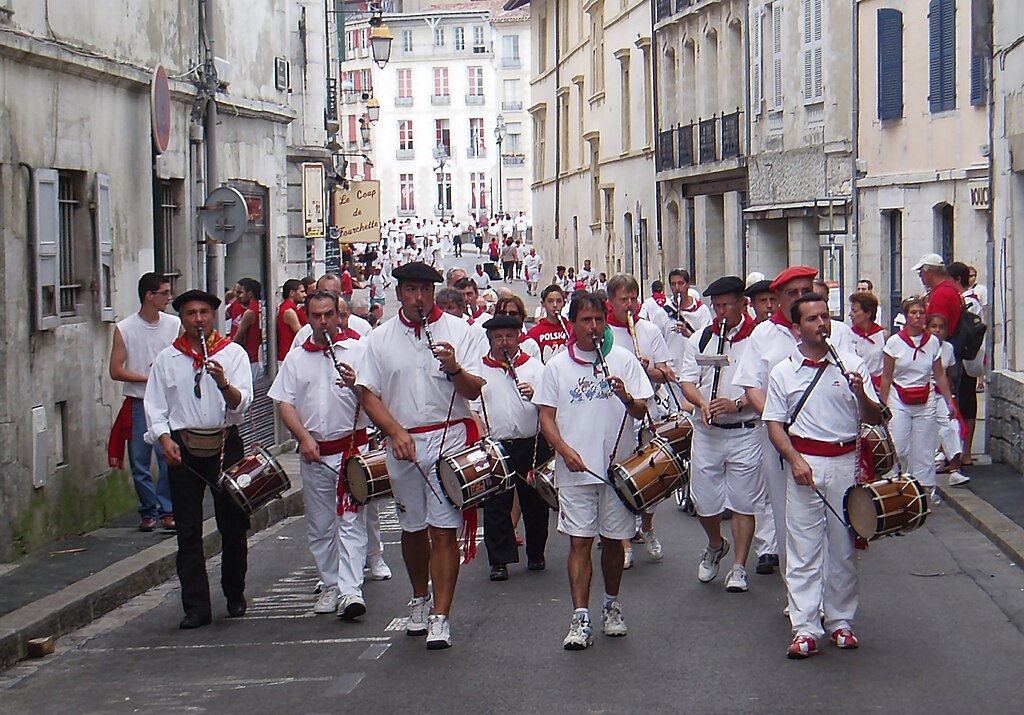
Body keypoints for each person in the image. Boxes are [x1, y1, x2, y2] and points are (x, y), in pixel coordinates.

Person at [356, 262, 485, 650]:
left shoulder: (462, 332)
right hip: (403, 441)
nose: (418, 298)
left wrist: (454, 367)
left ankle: (441, 616)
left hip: (450, 438)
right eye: (410, 290)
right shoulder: (379, 340)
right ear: (399, 293)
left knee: (444, 529)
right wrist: (394, 432)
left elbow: (474, 390)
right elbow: (366, 393)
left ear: (434, 292)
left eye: (425, 291)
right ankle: (419, 596)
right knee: (412, 529)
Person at [763, 293, 883, 659]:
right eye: (813, 319)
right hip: (806, 461)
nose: (822, 324)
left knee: (844, 547)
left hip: (846, 462)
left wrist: (860, 392)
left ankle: (841, 621)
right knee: (803, 548)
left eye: (825, 317)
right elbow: (774, 424)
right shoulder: (783, 372)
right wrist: (794, 460)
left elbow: (876, 418)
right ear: (797, 329)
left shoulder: (851, 363)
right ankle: (805, 627)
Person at [535, 293, 654, 651]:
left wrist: (626, 397)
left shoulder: (622, 359)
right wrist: (565, 451)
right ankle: (580, 616)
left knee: (615, 542)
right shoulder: (556, 367)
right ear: (573, 324)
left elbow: (640, 410)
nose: (593, 327)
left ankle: (611, 605)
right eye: (586, 321)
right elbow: (546, 417)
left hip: (618, 472)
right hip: (575, 472)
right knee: (579, 542)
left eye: (599, 320)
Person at [143, 290, 254, 629]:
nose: (198, 320)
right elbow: (156, 407)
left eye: (204, 313)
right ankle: (196, 606)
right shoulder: (167, 359)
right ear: (183, 319)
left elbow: (241, 405)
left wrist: (223, 383)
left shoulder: (233, 354)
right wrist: (164, 439)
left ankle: (234, 592)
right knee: (188, 530)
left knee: (233, 525)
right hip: (184, 448)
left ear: (213, 316)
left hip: (224, 443)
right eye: (191, 314)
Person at [270, 290, 375, 619]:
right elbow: (284, 402)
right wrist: (303, 438)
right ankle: (330, 584)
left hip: (352, 450)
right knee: (320, 524)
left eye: (329, 314)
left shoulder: (358, 351)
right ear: (308, 318)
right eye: (316, 316)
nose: (323, 321)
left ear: (338, 315)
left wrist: (357, 383)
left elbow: (376, 398)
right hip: (315, 453)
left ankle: (350, 590)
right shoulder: (297, 357)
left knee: (351, 522)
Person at [733, 265, 818, 577]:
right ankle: (795, 589)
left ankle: (824, 593)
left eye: (805, 290)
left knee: (827, 517)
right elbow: (751, 385)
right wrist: (777, 422)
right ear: (778, 298)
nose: (800, 298)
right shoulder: (763, 335)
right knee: (785, 515)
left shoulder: (831, 330)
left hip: (824, 438)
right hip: (778, 439)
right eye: (791, 293)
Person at [679, 276, 762, 593]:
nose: (722, 312)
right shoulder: (701, 339)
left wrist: (737, 403)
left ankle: (739, 566)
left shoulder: (758, 339)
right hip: (708, 431)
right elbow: (687, 380)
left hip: (745, 431)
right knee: (704, 503)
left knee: (743, 502)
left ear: (743, 304)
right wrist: (701, 402)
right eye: (717, 306)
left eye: (728, 305)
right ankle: (716, 544)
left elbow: (767, 384)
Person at [605, 274, 676, 566]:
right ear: (611, 302)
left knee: (652, 474)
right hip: (614, 414)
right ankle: (622, 541)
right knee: (617, 478)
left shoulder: (648, 330)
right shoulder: (604, 332)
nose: (630, 305)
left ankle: (647, 527)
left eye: (634, 298)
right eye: (624, 300)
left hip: (647, 410)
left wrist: (647, 369)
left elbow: (665, 373)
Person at [478, 315, 554, 580]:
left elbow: (551, 406)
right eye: (498, 338)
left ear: (519, 337)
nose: (504, 343)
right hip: (495, 445)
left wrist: (535, 394)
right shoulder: (479, 370)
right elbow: (474, 409)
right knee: (495, 503)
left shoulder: (534, 367)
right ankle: (499, 560)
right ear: (490, 340)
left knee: (535, 501)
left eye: (509, 337)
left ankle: (536, 554)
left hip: (531, 442)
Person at [108, 273, 180, 532]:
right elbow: (115, 370)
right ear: (150, 296)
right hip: (139, 401)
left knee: (167, 456)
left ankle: (167, 509)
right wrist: (148, 378)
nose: (168, 298)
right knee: (140, 460)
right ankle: (148, 510)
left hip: (167, 401)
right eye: (164, 293)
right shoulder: (126, 328)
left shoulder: (173, 324)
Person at [879, 297, 957, 501]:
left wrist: (949, 401)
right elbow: (887, 376)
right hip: (899, 397)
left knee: (924, 447)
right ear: (906, 317)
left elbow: (939, 374)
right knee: (899, 444)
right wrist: (882, 405)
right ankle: (894, 488)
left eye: (921, 312)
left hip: (925, 397)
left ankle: (924, 491)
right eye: (913, 313)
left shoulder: (931, 342)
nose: (917, 316)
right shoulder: (894, 343)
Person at [926, 314, 969, 486]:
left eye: (941, 327)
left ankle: (954, 469)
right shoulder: (924, 346)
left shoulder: (948, 349)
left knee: (952, 426)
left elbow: (950, 375)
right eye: (933, 326)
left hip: (940, 394)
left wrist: (949, 398)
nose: (937, 330)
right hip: (922, 394)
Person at [949, 261, 984, 466]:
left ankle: (965, 452)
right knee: (964, 403)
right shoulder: (969, 300)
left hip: (964, 357)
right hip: (967, 357)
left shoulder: (969, 301)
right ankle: (962, 451)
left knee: (965, 404)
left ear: (957, 280)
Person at [914, 253, 961, 336]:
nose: (920, 276)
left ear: (930, 272)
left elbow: (936, 328)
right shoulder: (948, 288)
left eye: (921, 272)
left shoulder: (941, 294)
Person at [523, 285, 572, 363]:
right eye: (550, 301)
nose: (555, 305)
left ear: (564, 303)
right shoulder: (534, 332)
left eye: (559, 301)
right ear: (543, 304)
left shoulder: (572, 328)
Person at [848, 291, 886, 388]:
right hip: (857, 384)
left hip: (878, 386)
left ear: (868, 314)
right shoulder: (848, 335)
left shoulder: (883, 335)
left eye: (855, 311)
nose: (850, 314)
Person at [230, 278, 263, 380]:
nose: (236, 295)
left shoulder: (253, 310)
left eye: (240, 292)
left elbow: (239, 338)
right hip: (240, 357)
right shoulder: (236, 305)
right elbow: (222, 315)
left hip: (251, 359)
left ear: (250, 294)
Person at [276, 279, 306, 364]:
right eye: (302, 292)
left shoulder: (289, 308)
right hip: (288, 356)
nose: (305, 295)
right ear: (292, 293)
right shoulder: (288, 311)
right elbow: (300, 335)